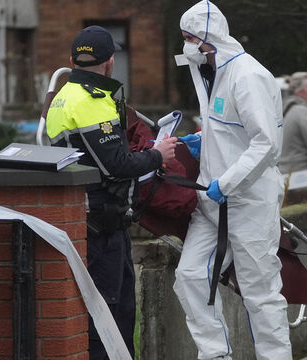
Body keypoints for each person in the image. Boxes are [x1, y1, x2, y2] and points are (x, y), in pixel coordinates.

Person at [45, 25, 177, 360]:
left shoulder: (61, 97)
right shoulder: (94, 101)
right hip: (102, 227)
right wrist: (159, 154)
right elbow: (115, 165)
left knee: (100, 314)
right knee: (109, 320)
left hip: (82, 221)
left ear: (72, 60)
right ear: (109, 62)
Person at [173, 2, 292, 359]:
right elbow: (232, 132)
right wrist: (203, 140)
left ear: (209, 39)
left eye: (190, 38)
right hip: (214, 203)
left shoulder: (247, 76)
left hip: (248, 202)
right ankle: (216, 355)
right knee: (191, 276)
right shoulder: (212, 73)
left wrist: (226, 182)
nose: (186, 46)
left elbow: (266, 143)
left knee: (261, 294)